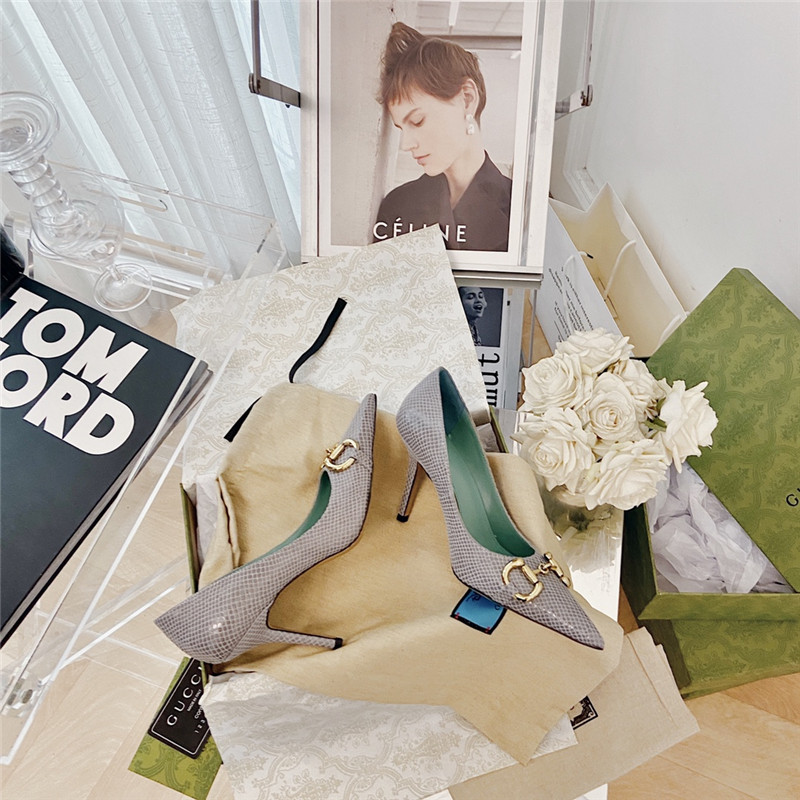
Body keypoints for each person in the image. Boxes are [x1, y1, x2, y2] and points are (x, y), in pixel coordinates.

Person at [372, 22, 512, 252]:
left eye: (417, 121)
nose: (406, 144)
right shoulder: (397, 206)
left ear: (467, 99)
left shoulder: (522, 210)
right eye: (401, 128)